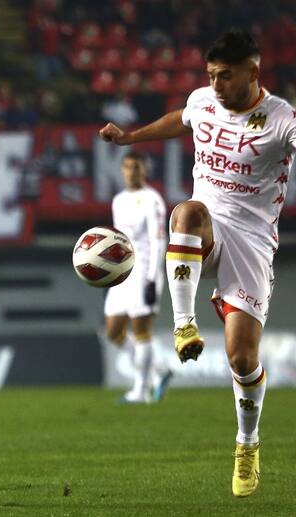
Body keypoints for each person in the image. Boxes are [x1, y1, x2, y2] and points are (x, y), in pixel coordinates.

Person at [99, 28, 296, 497]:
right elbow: (182, 119)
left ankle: (247, 444)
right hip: (208, 225)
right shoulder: (204, 100)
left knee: (242, 357)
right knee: (185, 212)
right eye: (211, 75)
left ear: (253, 72)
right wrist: (131, 137)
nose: (216, 86)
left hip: (252, 240)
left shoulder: (281, 117)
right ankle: (184, 324)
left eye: (225, 76)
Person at [102, 151, 171, 404]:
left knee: (142, 330)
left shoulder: (152, 200)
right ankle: (160, 369)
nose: (132, 171)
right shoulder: (118, 200)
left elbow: (158, 240)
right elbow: (117, 240)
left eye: (137, 167)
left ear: (145, 170)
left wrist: (153, 277)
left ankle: (140, 391)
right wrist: (109, 272)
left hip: (144, 271)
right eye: (128, 167)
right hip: (122, 272)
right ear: (121, 170)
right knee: (113, 331)